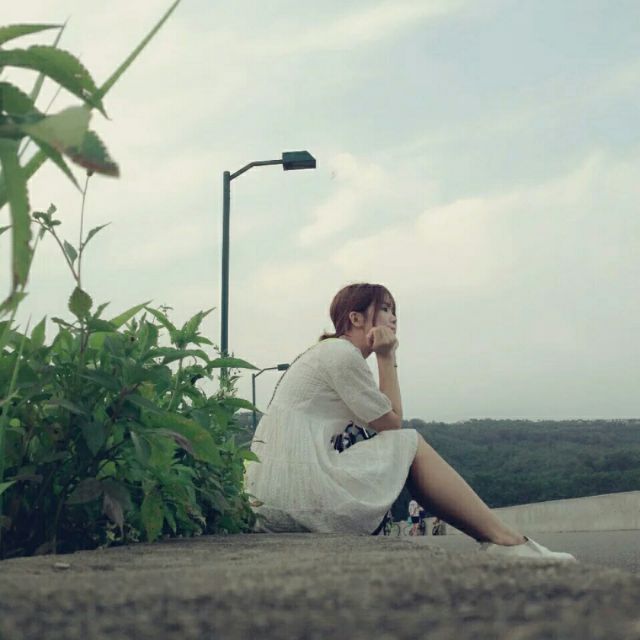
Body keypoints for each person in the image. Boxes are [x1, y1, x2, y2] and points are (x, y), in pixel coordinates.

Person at [245, 283, 575, 562]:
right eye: (385, 308)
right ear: (356, 318)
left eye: (394, 311)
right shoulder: (341, 354)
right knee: (411, 443)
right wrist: (387, 356)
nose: (394, 317)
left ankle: (505, 539)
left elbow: (382, 422)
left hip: (279, 494)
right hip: (299, 493)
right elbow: (392, 424)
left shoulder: (327, 354)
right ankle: (505, 541)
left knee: (404, 444)